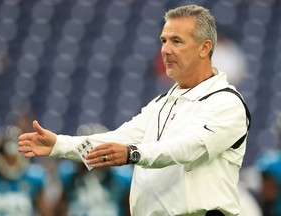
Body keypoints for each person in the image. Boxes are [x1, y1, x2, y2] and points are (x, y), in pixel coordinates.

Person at [18, 5, 251, 216]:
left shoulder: (226, 102)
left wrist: (133, 154)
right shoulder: (162, 104)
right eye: (163, 41)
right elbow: (116, 140)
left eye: (176, 41)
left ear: (204, 48)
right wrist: (59, 145)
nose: (166, 50)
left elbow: (188, 148)